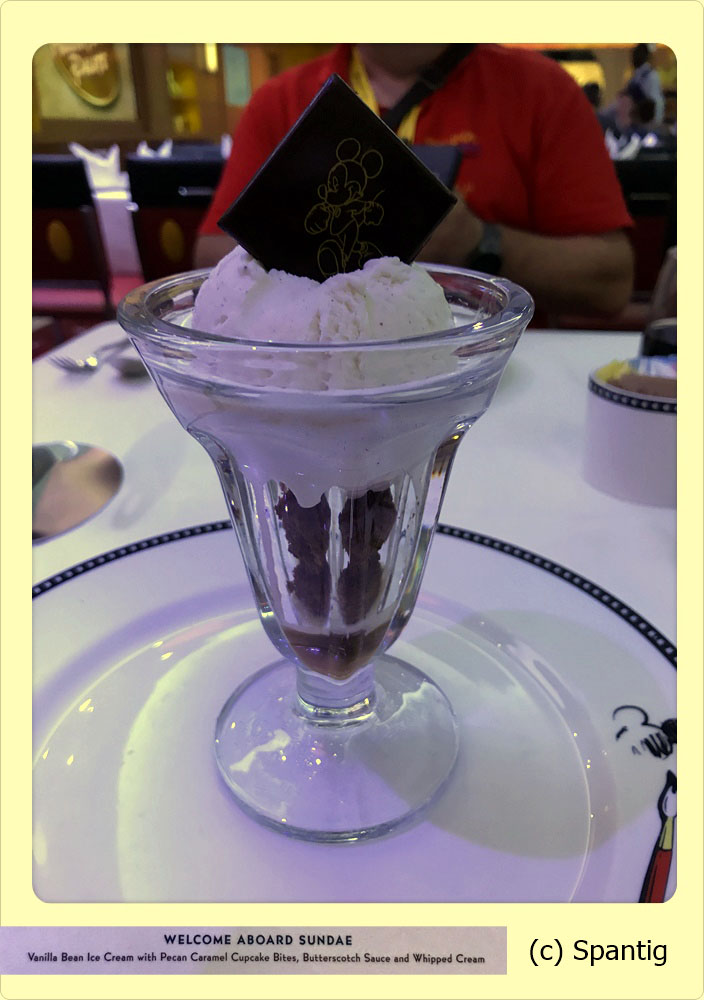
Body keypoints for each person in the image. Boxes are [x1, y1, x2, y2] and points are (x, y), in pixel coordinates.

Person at [195, 44, 634, 320]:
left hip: (492, 374)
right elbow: (209, 259)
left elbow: (611, 281)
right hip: (315, 378)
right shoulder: (279, 100)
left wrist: (480, 242)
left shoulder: (542, 90)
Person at [628, 43, 665, 128]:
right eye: (634, 54)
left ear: (646, 56)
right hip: (637, 120)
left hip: (648, 122)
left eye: (638, 54)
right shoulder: (635, 76)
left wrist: (654, 122)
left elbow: (655, 102)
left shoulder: (651, 75)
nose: (634, 58)